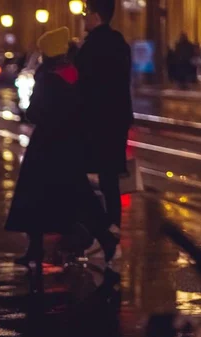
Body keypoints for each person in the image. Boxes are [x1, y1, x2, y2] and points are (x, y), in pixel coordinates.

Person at [5, 27, 118, 266]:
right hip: (70, 145)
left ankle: (35, 248)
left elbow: (34, 113)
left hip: (45, 146)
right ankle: (105, 237)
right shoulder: (74, 74)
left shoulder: (46, 77)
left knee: (33, 195)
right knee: (80, 195)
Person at [75, 0, 133, 237]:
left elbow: (81, 85)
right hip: (116, 118)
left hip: (94, 120)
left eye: (86, 13)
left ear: (96, 17)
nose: (84, 18)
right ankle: (114, 223)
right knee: (110, 177)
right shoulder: (120, 43)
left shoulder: (90, 48)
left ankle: (93, 225)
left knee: (79, 172)